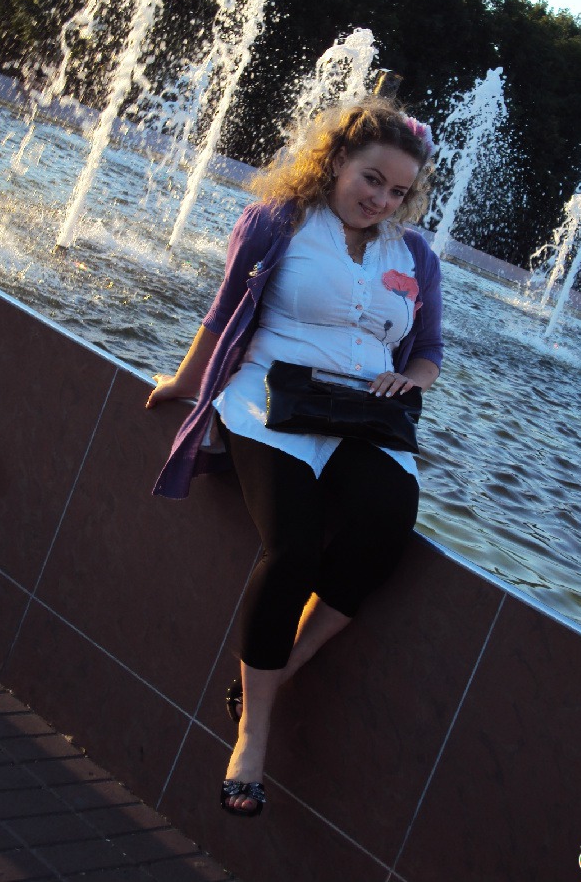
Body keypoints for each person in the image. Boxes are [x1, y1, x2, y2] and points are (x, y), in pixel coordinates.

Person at [146, 96, 443, 817]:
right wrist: (184, 383)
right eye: (371, 179)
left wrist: (410, 378)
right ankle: (253, 734)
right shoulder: (278, 221)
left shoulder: (416, 256)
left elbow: (429, 351)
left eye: (397, 191)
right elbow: (224, 311)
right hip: (269, 400)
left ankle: (280, 671)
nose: (381, 200)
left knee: (385, 524)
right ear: (336, 159)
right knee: (294, 547)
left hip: (361, 415)